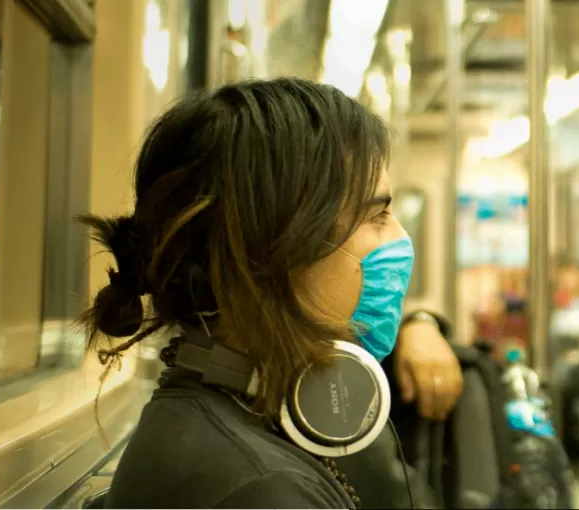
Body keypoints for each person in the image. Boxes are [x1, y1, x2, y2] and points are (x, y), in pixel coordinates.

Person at [85, 78, 462, 509]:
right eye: (376, 215)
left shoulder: (227, 411)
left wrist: (422, 323)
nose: (398, 239)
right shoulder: (262, 488)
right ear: (276, 248)